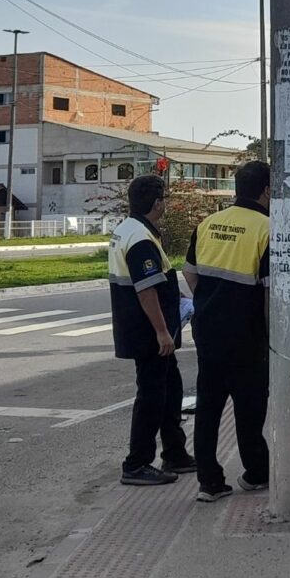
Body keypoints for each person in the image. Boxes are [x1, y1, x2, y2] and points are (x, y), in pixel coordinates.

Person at [183, 160, 270, 502]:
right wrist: (270, 337)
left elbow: (190, 276)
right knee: (249, 410)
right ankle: (256, 473)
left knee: (208, 409)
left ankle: (209, 481)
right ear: (266, 190)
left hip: (208, 333)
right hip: (246, 337)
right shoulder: (266, 228)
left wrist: (210, 302)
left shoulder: (208, 224)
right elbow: (268, 291)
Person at [109, 175, 193, 486]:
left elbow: (155, 283)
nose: (166, 205)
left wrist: (177, 299)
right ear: (156, 204)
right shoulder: (141, 239)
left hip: (147, 327)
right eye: (164, 200)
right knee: (151, 395)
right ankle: (136, 464)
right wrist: (161, 331)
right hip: (147, 332)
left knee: (170, 390)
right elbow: (145, 290)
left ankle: (175, 452)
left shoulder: (130, 230)